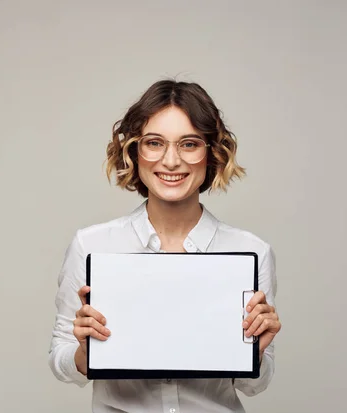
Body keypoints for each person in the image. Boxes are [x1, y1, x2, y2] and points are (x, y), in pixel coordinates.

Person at [48, 79, 281, 413]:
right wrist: (84, 354)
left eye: (189, 144)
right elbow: (60, 358)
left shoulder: (252, 252)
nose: (171, 161)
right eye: (154, 143)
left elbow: (256, 383)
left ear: (212, 153)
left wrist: (255, 350)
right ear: (134, 152)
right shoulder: (92, 245)